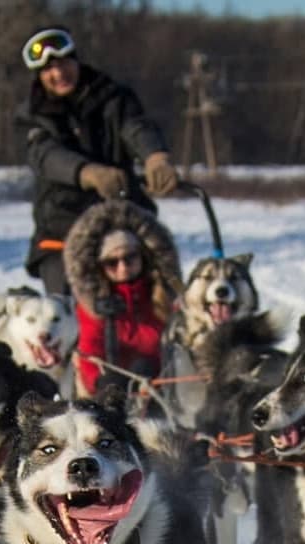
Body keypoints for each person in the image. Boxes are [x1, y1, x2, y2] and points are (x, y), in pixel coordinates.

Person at [16, 25, 179, 296]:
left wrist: (156, 157)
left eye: (64, 62)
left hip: (123, 216)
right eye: (48, 70)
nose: (58, 73)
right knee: (65, 313)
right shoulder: (30, 115)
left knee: (157, 293)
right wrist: (87, 173)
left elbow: (136, 127)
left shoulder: (114, 97)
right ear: (39, 75)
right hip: (61, 226)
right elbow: (45, 155)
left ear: (76, 59)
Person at [63, 199, 182, 395]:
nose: (123, 267)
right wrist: (99, 381)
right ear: (101, 266)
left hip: (161, 383)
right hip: (108, 385)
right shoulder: (94, 305)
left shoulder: (162, 296)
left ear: (143, 256)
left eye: (130, 258)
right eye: (112, 262)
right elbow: (89, 351)